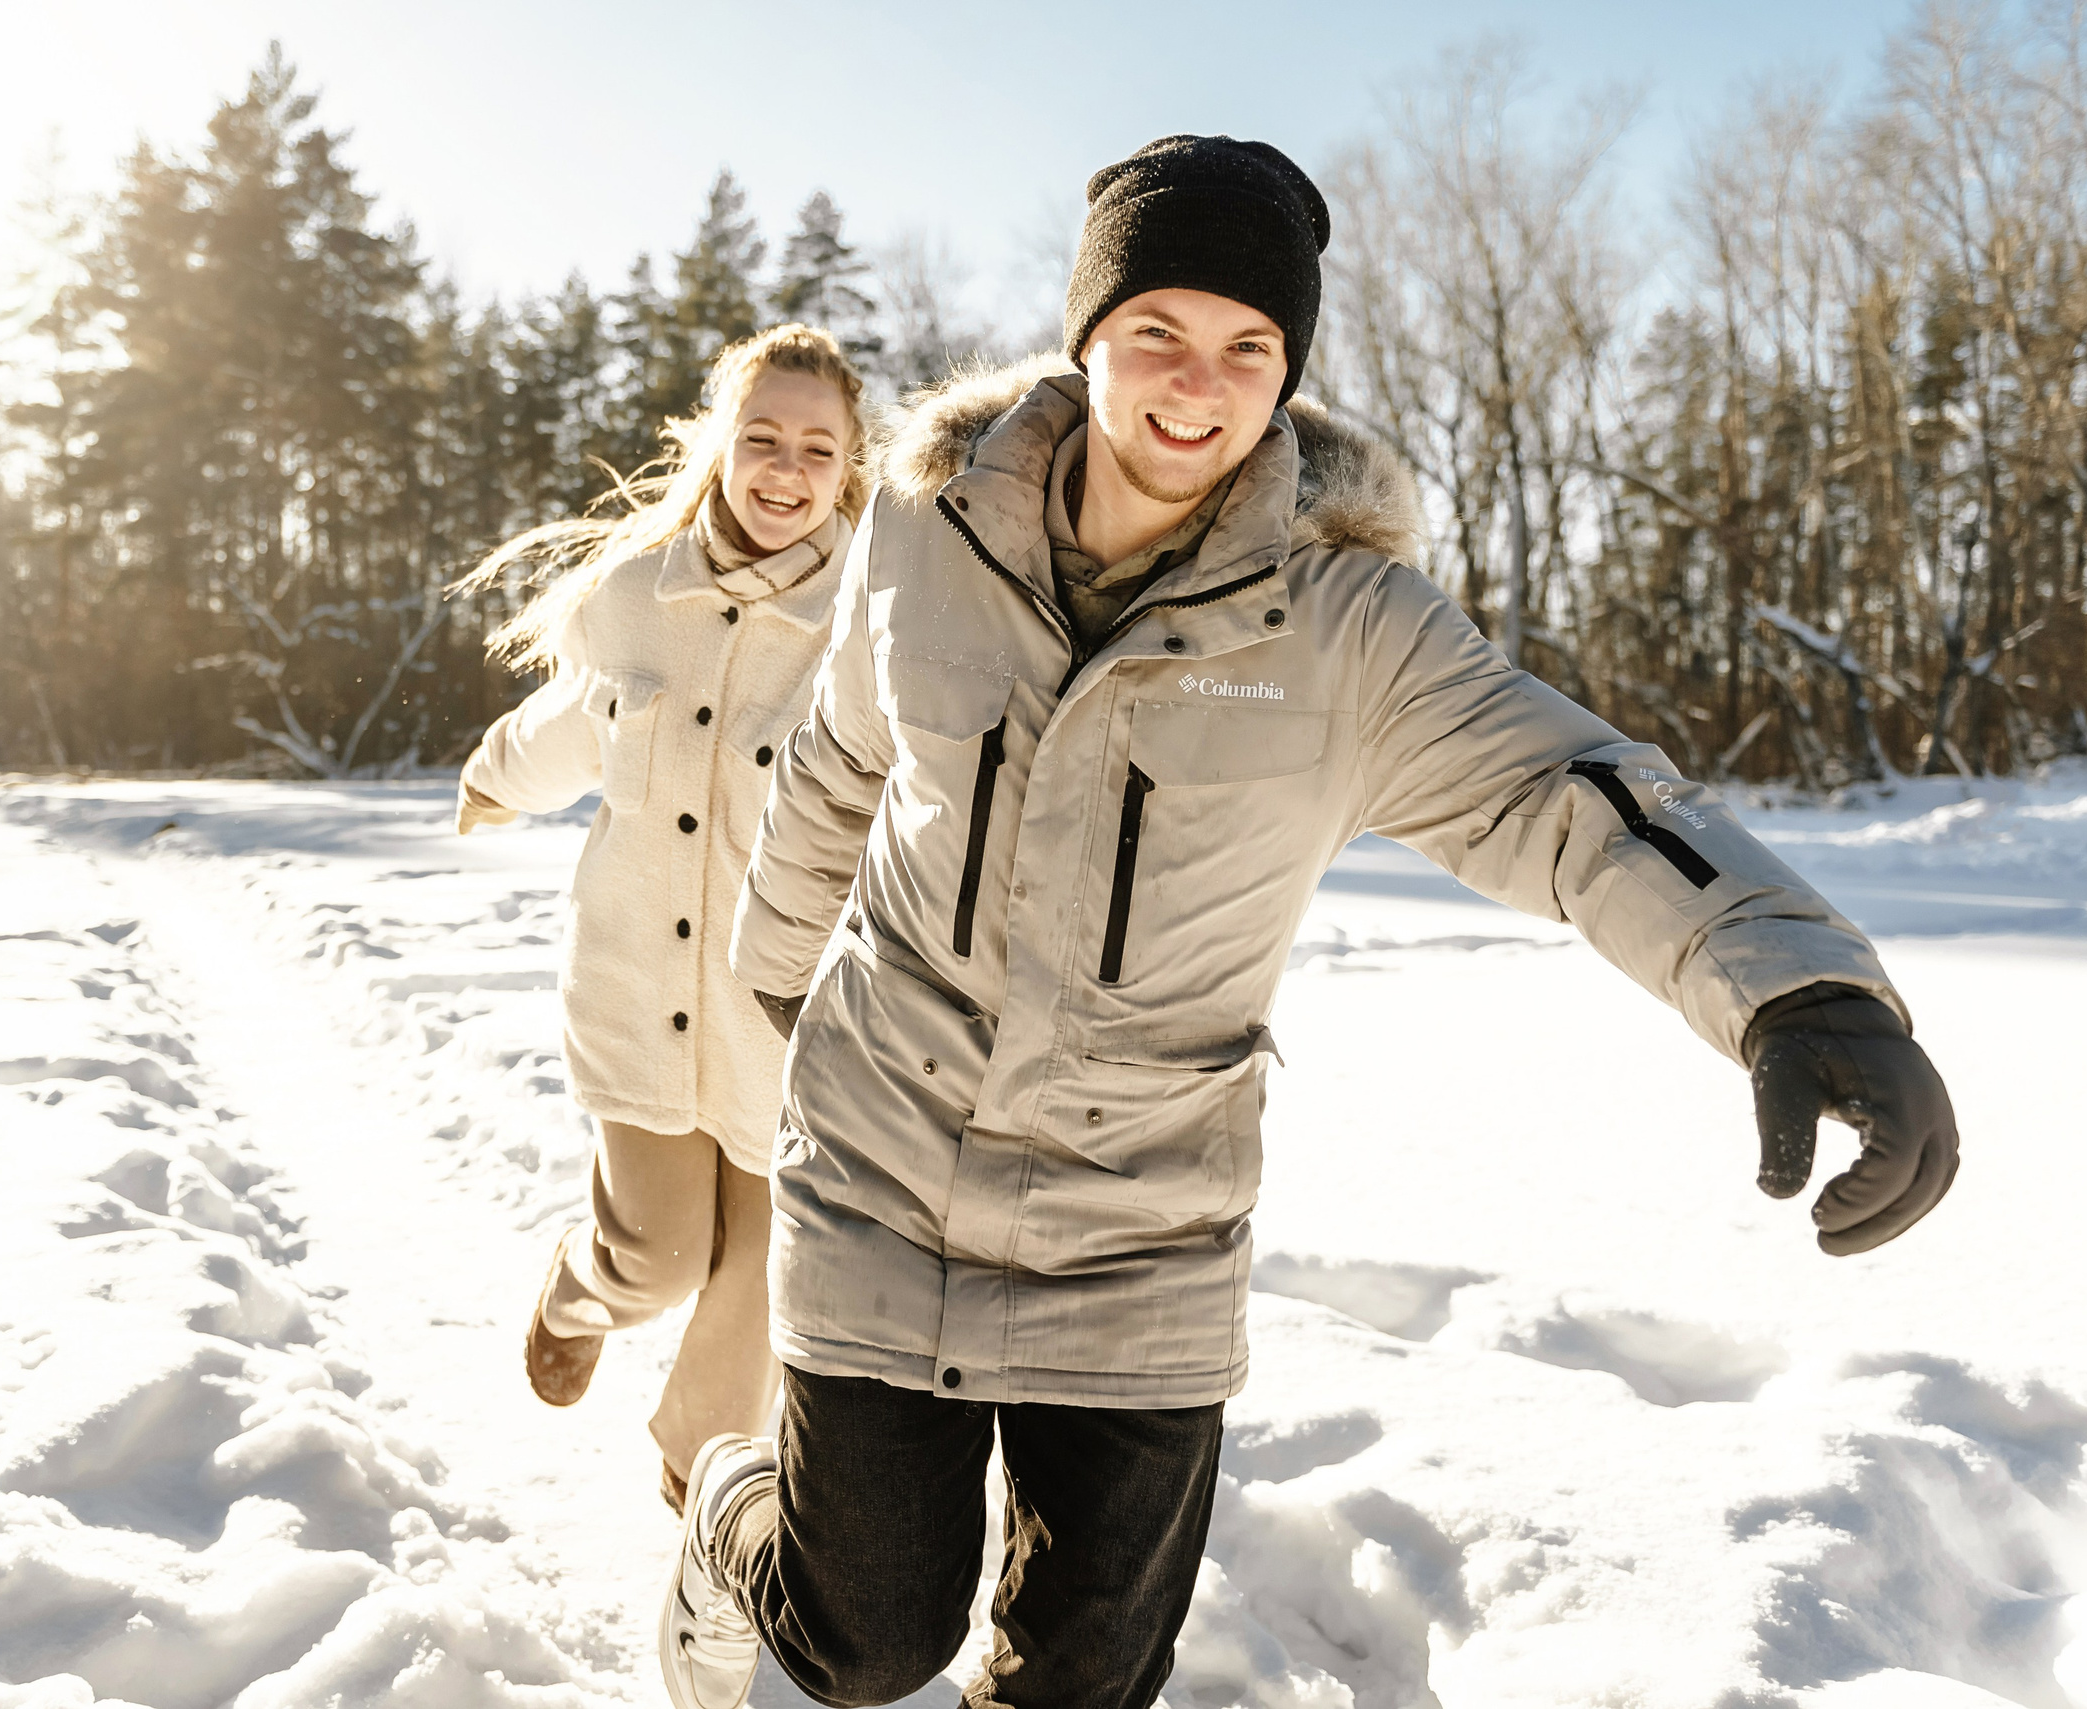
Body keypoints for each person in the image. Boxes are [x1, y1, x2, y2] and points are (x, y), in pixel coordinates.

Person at [656, 137, 1961, 1709]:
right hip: (880, 1166)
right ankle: (732, 1510)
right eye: (1157, 332)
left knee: (1077, 1687)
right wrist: (776, 991)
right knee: (863, 1644)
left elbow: (1574, 798)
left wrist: (1802, 990)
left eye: (1247, 347)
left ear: (1287, 374)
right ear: (1088, 337)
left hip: (1141, 1228)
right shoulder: (923, 533)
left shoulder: (1348, 633)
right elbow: (837, 769)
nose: (1195, 386)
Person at [453, 324, 868, 1515]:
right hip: (636, 992)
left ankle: (704, 1465)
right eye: (763, 439)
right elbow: (574, 723)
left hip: (782, 1017)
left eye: (817, 449)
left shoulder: (868, 632)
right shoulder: (636, 599)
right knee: (659, 1252)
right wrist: (493, 776)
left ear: (849, 468)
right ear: (720, 448)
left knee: (769, 1260)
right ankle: (578, 1288)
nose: (786, 469)